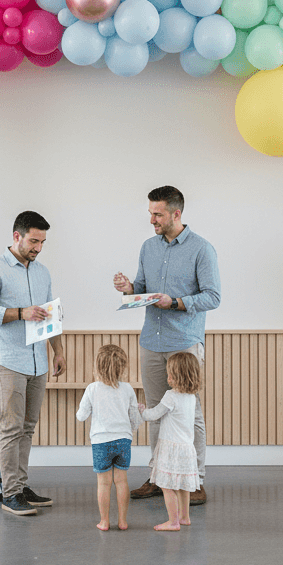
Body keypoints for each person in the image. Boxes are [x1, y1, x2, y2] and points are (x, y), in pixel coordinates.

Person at [113, 185, 219, 506]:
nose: (152, 220)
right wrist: (129, 288)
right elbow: (142, 290)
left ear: (176, 214)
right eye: (150, 213)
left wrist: (175, 302)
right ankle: (159, 477)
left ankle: (195, 480)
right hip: (151, 342)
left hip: (184, 344)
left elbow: (212, 296)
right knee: (157, 411)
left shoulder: (202, 250)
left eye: (157, 214)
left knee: (189, 414)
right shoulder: (148, 248)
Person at [0, 211, 66, 516]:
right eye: (33, 241)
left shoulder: (42, 272)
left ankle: (21, 485)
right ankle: (10, 492)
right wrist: (20, 312)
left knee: (27, 428)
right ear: (17, 236)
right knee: (11, 428)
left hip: (38, 360)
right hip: (9, 360)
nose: (38, 248)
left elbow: (50, 313)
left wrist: (58, 351)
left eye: (42, 242)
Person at [76, 344, 143, 531]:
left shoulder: (92, 389)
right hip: (123, 440)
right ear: (123, 367)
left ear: (97, 367)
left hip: (100, 442)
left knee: (104, 483)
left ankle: (104, 521)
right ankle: (123, 521)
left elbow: (81, 416)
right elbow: (135, 420)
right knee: (121, 481)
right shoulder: (128, 389)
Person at [137, 352, 203, 531]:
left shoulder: (170, 396)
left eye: (170, 374)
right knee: (183, 487)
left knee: (166, 487)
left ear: (176, 376)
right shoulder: (191, 397)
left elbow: (154, 415)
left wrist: (142, 411)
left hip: (171, 449)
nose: (168, 377)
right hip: (187, 449)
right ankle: (184, 517)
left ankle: (173, 522)